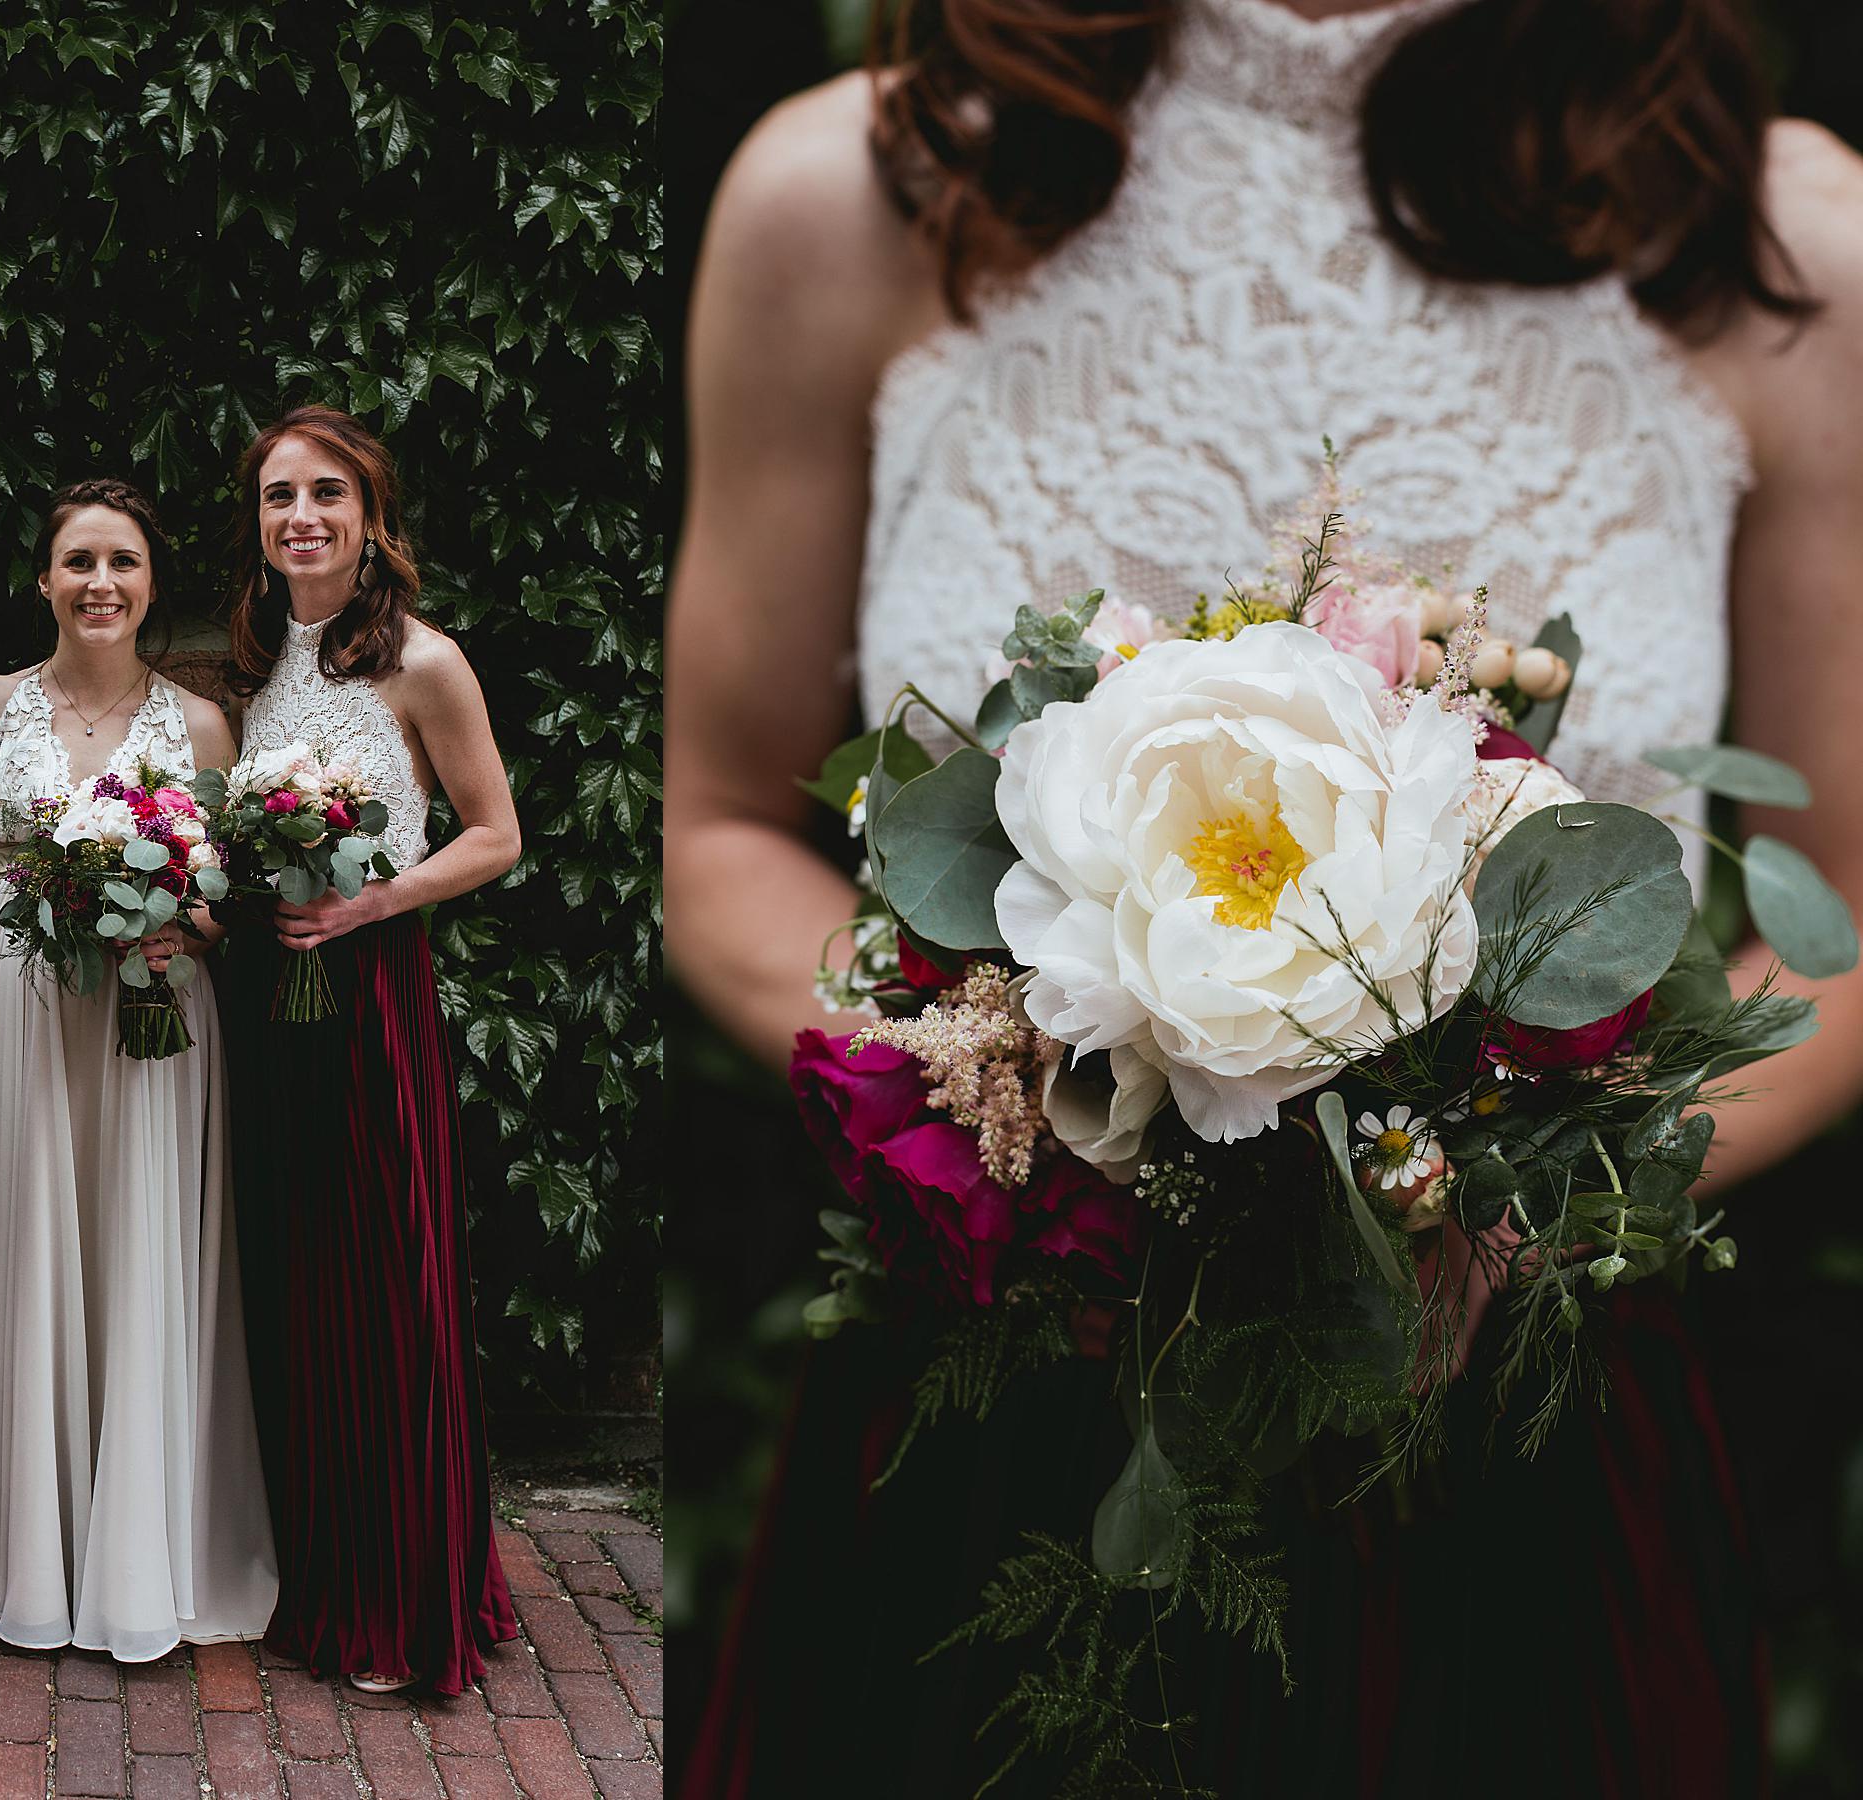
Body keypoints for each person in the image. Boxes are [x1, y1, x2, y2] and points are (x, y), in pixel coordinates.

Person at [665, 0, 1863, 1792]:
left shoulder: (1770, 237)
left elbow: (1849, 897)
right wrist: (1003, 1097)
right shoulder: (859, 196)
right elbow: (712, 818)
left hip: (1512, 1444)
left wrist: (1513, 1200)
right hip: (1003, 1434)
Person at [0, 476, 277, 1659]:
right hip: (24, 995)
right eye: (78, 561)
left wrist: (194, 927)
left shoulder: (197, 726)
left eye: (122, 563)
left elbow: (232, 893)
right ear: (44, 579)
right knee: (27, 1237)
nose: (100, 584)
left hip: (150, 1006)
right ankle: (28, 1553)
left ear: (149, 585)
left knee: (134, 1243)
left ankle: (135, 1551)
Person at [219, 405, 522, 1696]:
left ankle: (403, 1598)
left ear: (370, 515)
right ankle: (321, 1573)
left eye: (326, 493)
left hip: (375, 989)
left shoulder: (425, 664)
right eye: (281, 494)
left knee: (388, 1285)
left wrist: (371, 903)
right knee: (297, 1287)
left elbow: (496, 833)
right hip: (270, 991)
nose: (302, 515)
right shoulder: (261, 663)